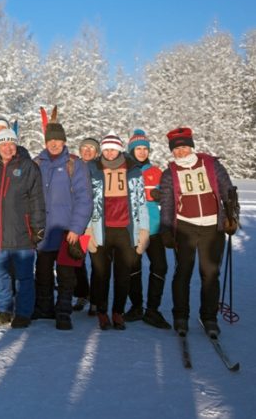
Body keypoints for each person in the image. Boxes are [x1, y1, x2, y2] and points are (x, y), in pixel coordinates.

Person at [158, 127, 234, 338]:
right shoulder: (169, 174)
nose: (181, 152)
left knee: (210, 273)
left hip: (212, 227)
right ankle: (180, 316)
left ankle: (209, 317)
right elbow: (166, 204)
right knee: (183, 272)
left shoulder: (211, 164)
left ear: (191, 146)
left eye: (184, 147)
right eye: (176, 149)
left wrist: (231, 217)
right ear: (172, 151)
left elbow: (228, 190)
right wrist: (166, 230)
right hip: (184, 227)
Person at [0, 128, 45, 329]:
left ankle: (24, 312)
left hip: (22, 233)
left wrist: (38, 227)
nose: (8, 148)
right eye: (3, 144)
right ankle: (4, 309)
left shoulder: (28, 167)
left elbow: (37, 199)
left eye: (11, 143)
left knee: (24, 276)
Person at [32, 119, 93, 330]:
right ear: (46, 141)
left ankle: (63, 311)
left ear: (64, 141)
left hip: (70, 230)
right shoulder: (37, 163)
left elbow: (85, 199)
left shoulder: (75, 164)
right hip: (45, 229)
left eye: (59, 140)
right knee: (43, 271)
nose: (55, 144)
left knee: (68, 273)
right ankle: (44, 308)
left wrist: (77, 229)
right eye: (51, 140)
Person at [86, 132, 149, 331]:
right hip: (100, 229)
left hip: (126, 230)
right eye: (106, 149)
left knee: (123, 275)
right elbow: (84, 201)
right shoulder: (93, 168)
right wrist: (86, 230)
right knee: (101, 273)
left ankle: (118, 312)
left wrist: (144, 230)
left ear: (120, 149)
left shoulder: (133, 170)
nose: (110, 153)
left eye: (113, 149)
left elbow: (141, 202)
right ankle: (102, 312)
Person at [124, 129, 171, 329]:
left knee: (160, 267)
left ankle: (152, 309)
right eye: (138, 149)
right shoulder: (124, 171)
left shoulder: (156, 172)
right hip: (133, 228)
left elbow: (171, 196)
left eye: (145, 149)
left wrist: (163, 195)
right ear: (131, 150)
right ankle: (136, 307)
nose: (142, 152)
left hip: (154, 227)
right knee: (133, 268)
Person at [74, 137, 101, 314]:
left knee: (97, 262)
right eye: (84, 147)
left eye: (91, 148)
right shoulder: (74, 167)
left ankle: (96, 300)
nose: (87, 150)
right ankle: (83, 293)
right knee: (77, 261)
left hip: (97, 223)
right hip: (79, 223)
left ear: (97, 152)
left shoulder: (101, 169)